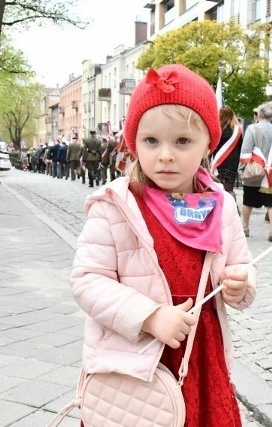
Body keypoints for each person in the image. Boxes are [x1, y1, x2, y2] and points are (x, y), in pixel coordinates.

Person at [70, 64, 256, 427]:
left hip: (200, 348)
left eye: (182, 142)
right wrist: (150, 317)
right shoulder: (115, 206)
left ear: (208, 144)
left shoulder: (221, 205)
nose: (166, 155)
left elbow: (243, 265)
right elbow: (88, 281)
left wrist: (240, 284)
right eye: (152, 141)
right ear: (134, 142)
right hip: (137, 357)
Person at [239, 103, 272, 242]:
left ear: (259, 114)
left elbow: (246, 150)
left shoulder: (252, 128)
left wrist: (241, 169)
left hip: (255, 172)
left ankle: (245, 227)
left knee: (248, 201)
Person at [212, 105, 243, 202]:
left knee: (217, 188)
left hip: (218, 162)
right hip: (232, 162)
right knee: (229, 189)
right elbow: (241, 146)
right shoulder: (237, 130)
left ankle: (219, 209)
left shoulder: (216, 129)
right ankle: (233, 210)